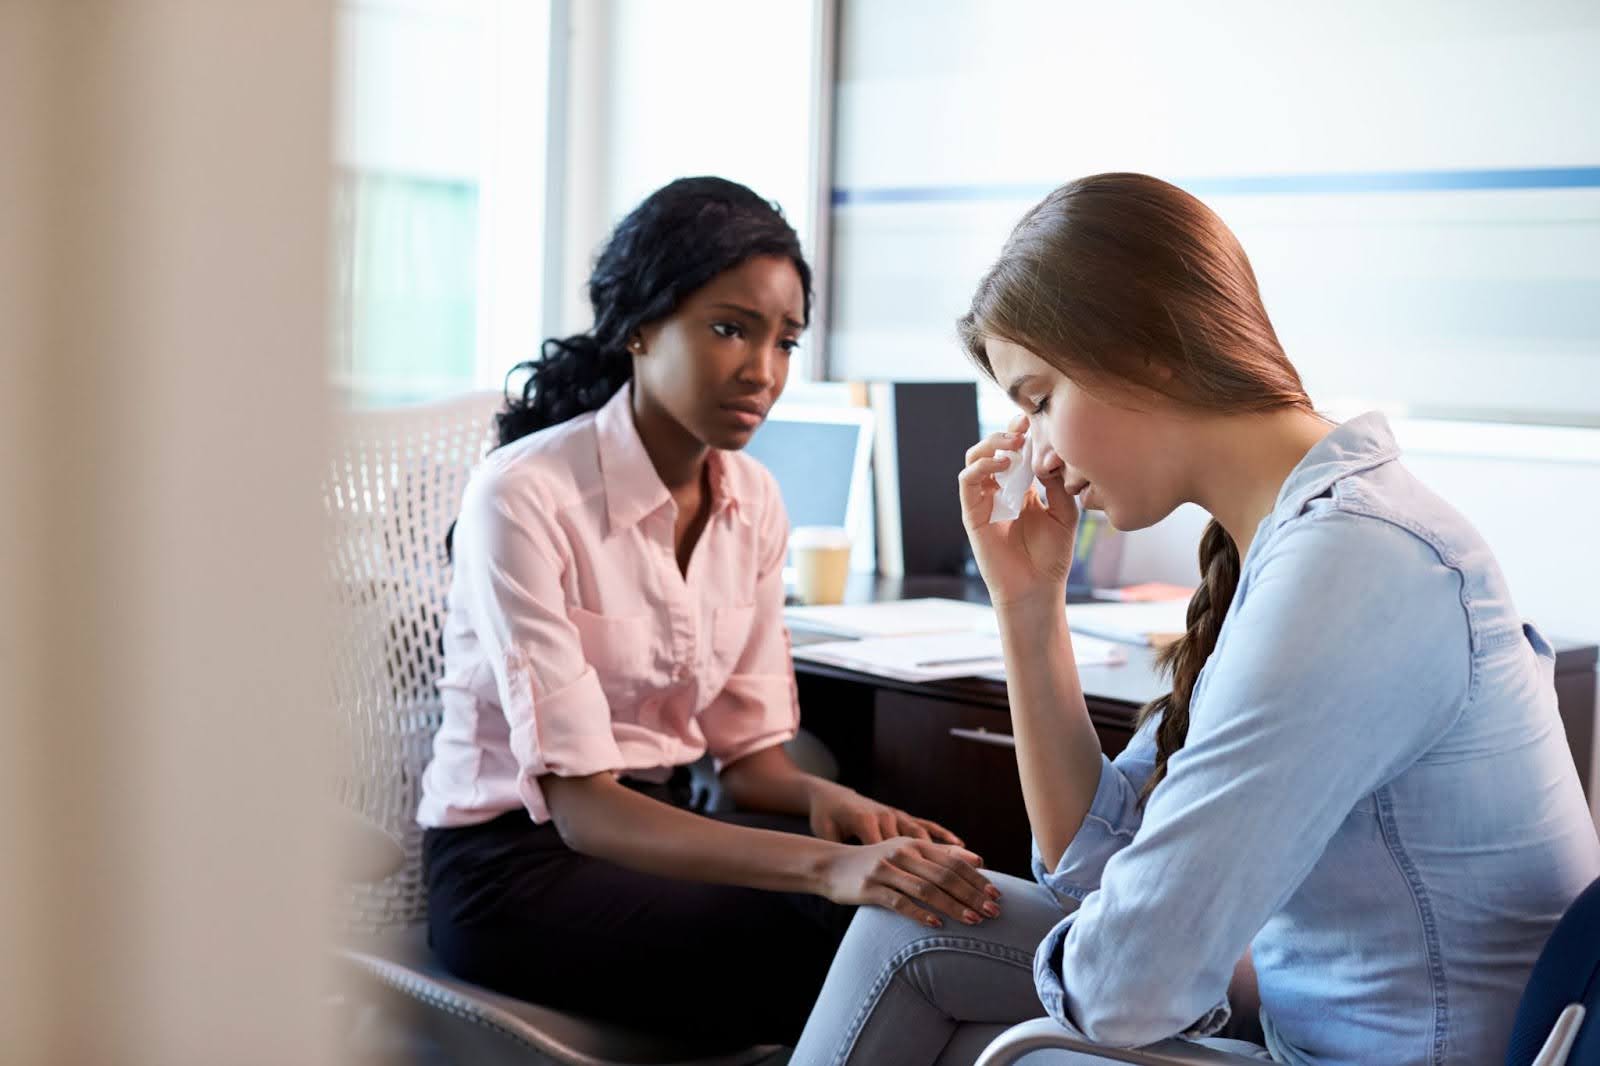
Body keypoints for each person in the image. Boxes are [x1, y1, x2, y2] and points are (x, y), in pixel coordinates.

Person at [790, 172, 1599, 1065]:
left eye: (1038, 400)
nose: (1037, 454)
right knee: (905, 935)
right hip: (1313, 1032)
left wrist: (1157, 943)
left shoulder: (1355, 566)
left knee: (927, 965)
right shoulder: (1301, 543)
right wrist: (1029, 603)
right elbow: (1092, 866)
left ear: (1145, 353)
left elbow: (1127, 989)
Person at [417, 177, 997, 1047]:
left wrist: (828, 803)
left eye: (786, 341)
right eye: (730, 328)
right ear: (641, 327)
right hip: (516, 869)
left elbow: (748, 763)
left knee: (916, 916)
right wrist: (831, 869)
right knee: (845, 941)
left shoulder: (753, 499)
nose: (763, 370)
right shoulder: (526, 497)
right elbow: (587, 812)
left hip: (670, 825)